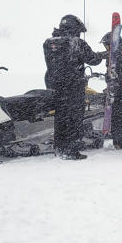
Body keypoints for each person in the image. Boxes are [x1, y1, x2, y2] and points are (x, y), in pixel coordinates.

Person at [43, 14, 105, 160]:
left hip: (54, 87)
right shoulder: (76, 42)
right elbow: (93, 59)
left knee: (60, 117)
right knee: (74, 118)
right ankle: (71, 149)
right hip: (73, 86)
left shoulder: (47, 43)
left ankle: (60, 147)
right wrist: (103, 55)